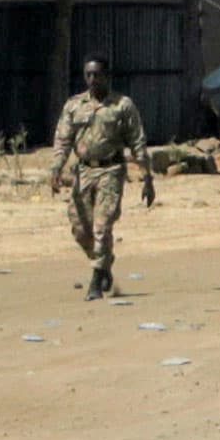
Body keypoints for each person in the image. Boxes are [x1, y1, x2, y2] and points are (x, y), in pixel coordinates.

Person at [48, 57, 152, 301]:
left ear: (107, 76)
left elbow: (137, 141)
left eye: (97, 75)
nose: (92, 80)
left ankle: (95, 281)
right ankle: (104, 264)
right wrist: (56, 169)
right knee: (80, 229)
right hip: (82, 173)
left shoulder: (122, 106)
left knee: (102, 227)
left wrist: (147, 177)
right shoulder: (74, 106)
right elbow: (63, 140)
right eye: (88, 75)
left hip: (111, 171)